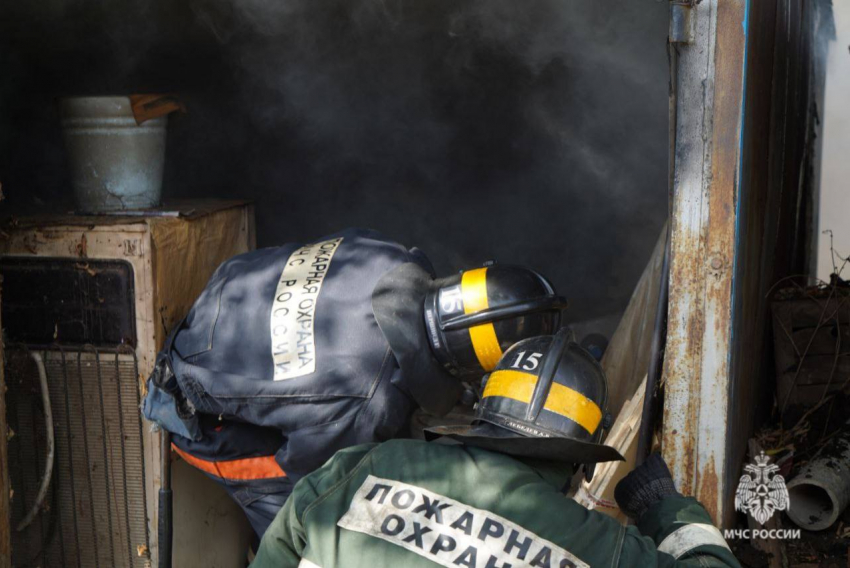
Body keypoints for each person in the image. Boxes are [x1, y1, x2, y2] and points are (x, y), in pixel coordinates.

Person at [142, 228, 567, 537]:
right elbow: (313, 474)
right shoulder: (368, 401)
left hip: (215, 306)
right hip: (192, 409)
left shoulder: (387, 256)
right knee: (312, 517)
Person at [251, 329, 740, 568]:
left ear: (480, 417)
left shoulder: (365, 467)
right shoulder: (602, 548)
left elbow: (276, 552)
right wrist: (665, 508)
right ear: (579, 457)